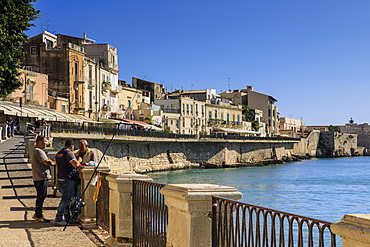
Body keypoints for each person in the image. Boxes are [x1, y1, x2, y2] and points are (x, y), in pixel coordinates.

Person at [54, 139, 82, 226]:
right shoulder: (69, 153)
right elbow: (75, 164)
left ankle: (67, 218)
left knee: (66, 199)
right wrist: (79, 160)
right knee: (65, 200)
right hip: (67, 179)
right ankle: (58, 218)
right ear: (72, 146)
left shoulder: (59, 153)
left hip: (60, 179)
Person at [31, 135, 56, 223]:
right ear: (40, 142)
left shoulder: (37, 151)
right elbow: (46, 162)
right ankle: (39, 215)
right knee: (41, 196)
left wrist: (51, 161)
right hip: (40, 177)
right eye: (45, 141)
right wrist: (54, 163)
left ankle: (37, 213)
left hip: (39, 177)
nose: (46, 143)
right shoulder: (38, 151)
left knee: (41, 196)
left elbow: (47, 159)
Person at [71, 139, 97, 218]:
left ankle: (79, 214)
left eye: (82, 147)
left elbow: (94, 165)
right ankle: (73, 214)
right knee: (73, 198)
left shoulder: (91, 153)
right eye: (79, 147)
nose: (80, 148)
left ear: (86, 146)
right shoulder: (76, 153)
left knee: (80, 197)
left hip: (84, 179)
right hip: (75, 177)